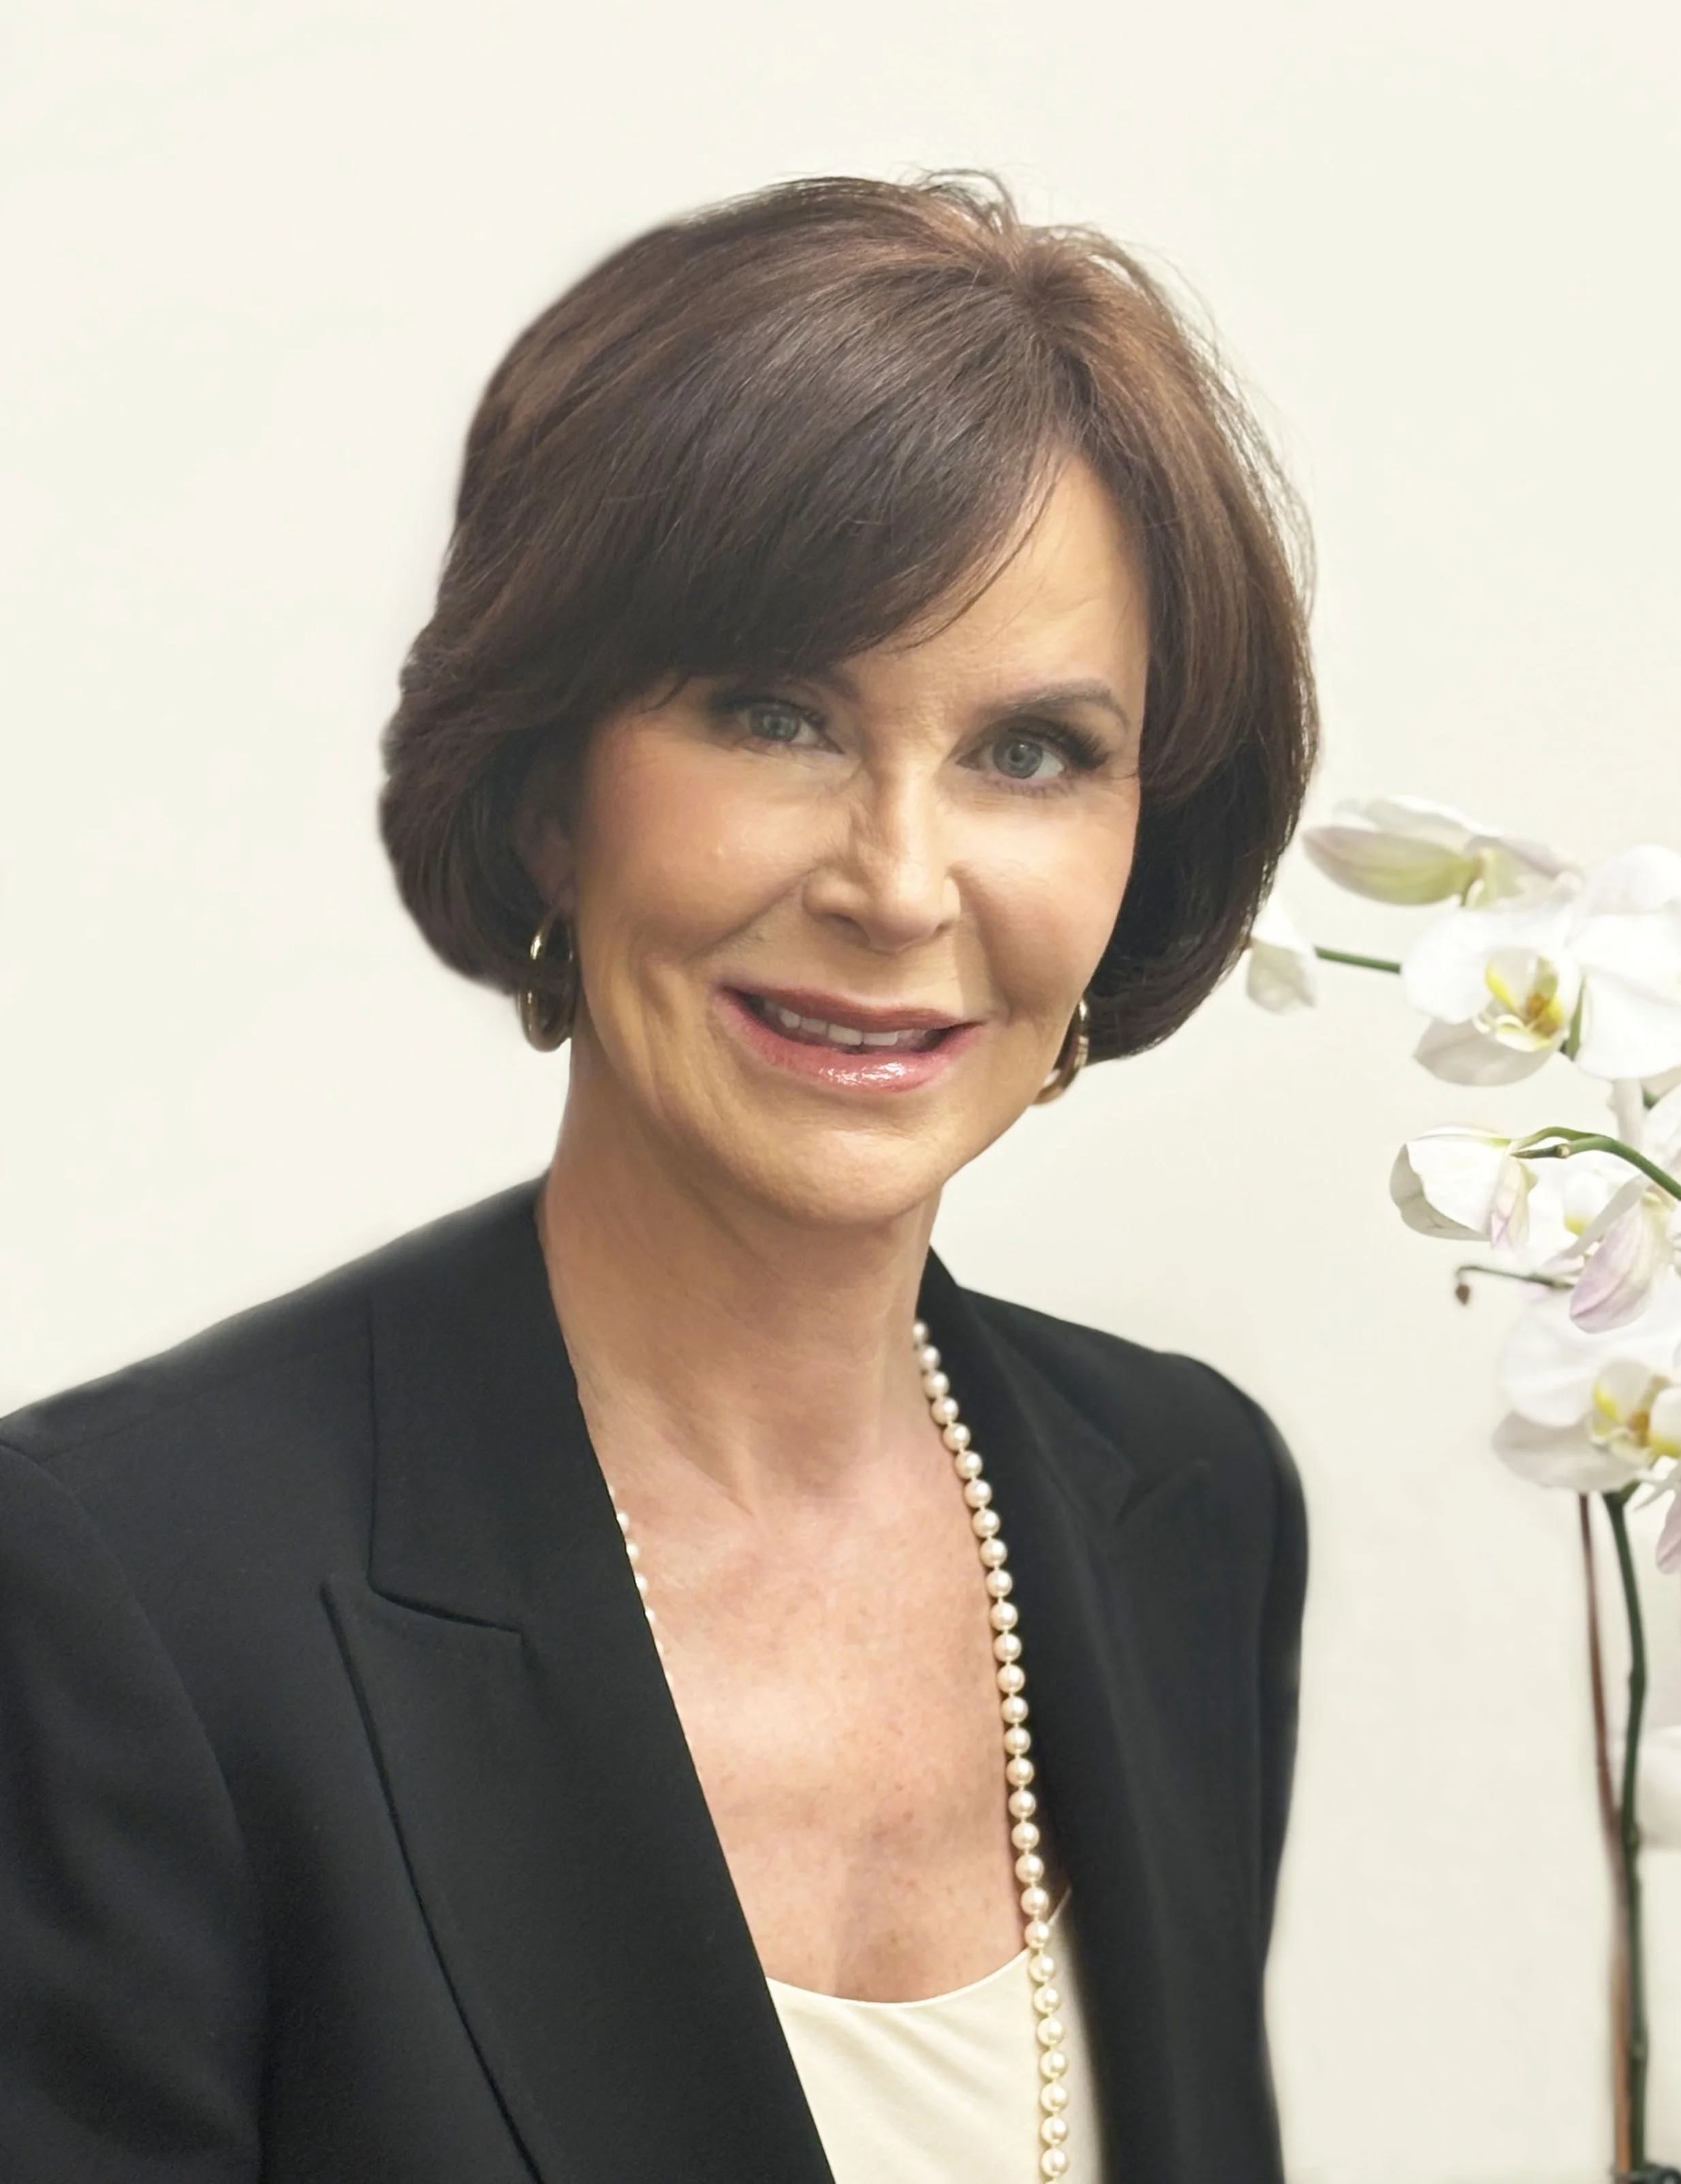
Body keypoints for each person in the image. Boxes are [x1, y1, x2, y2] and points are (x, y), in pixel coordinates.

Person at [0, 174, 1315, 2183]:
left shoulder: (1190, 1505)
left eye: (1031, 751)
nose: (893, 879)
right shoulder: (127, 1599)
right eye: (773, 715)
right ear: (549, 793)